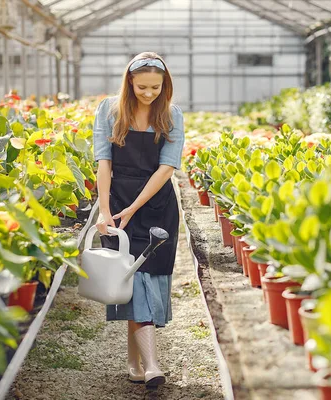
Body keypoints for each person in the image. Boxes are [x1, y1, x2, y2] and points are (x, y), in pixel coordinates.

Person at [92, 52, 185, 389]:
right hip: (117, 203)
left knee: (147, 281)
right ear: (129, 82)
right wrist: (105, 211)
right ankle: (150, 366)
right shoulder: (108, 109)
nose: (149, 94)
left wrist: (135, 207)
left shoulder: (172, 114)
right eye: (143, 87)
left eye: (156, 88)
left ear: (165, 85)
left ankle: (137, 362)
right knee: (131, 281)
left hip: (156, 204)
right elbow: (104, 161)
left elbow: (167, 167)